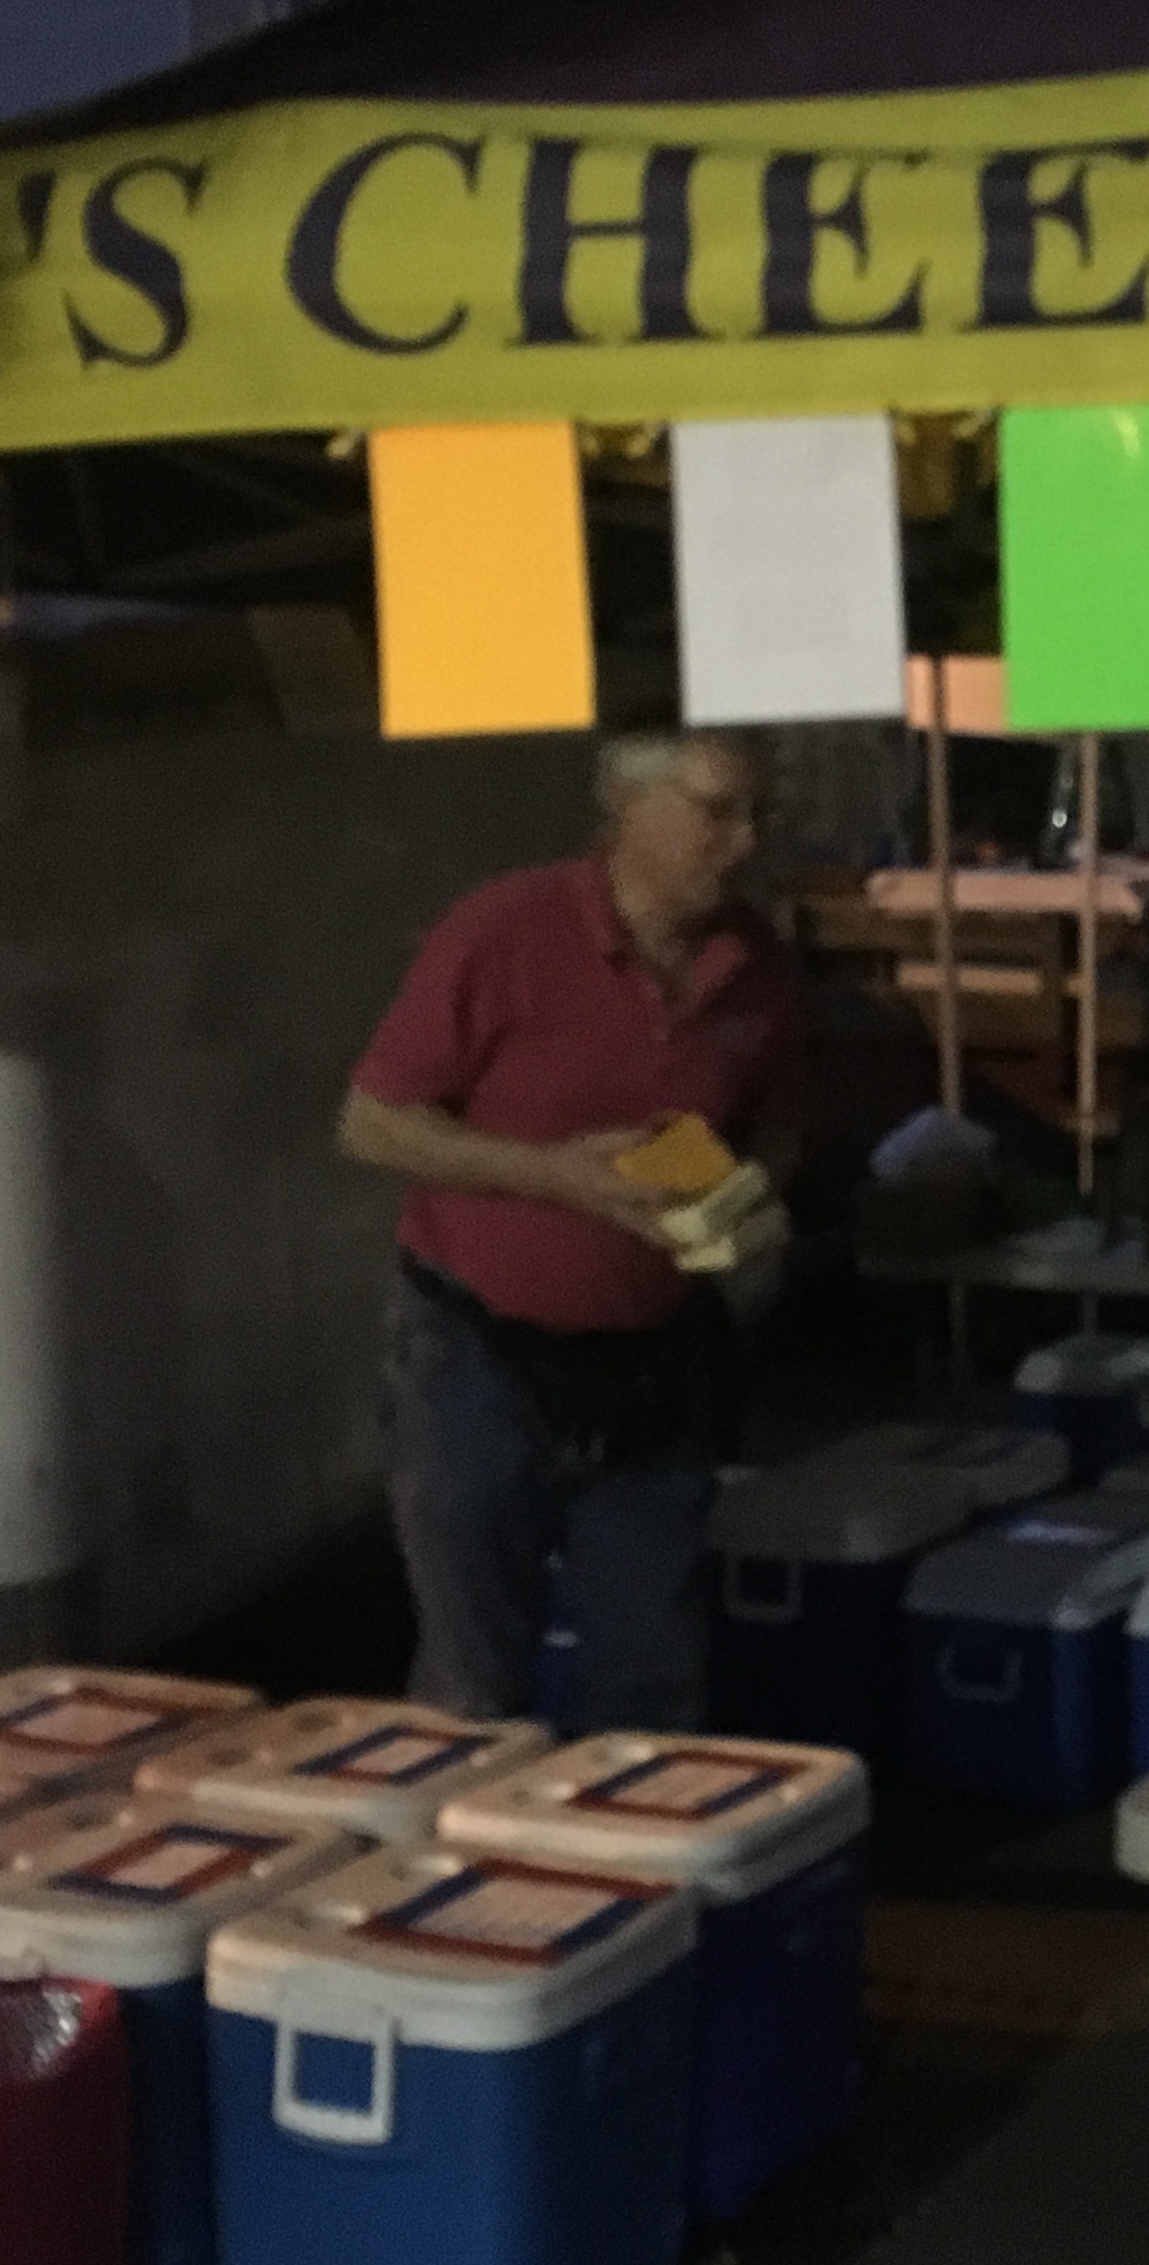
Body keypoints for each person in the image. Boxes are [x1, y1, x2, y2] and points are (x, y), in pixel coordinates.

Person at [339, 731, 803, 1728]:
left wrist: (753, 1199)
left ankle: (647, 1871)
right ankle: (472, 1876)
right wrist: (556, 1177)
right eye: (719, 810)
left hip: (654, 1359)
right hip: (474, 1352)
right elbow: (373, 1123)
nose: (747, 841)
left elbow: (776, 1121)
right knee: (475, 1679)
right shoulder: (503, 932)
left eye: (761, 814)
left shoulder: (755, 963)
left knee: (654, 1672)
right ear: (627, 809)